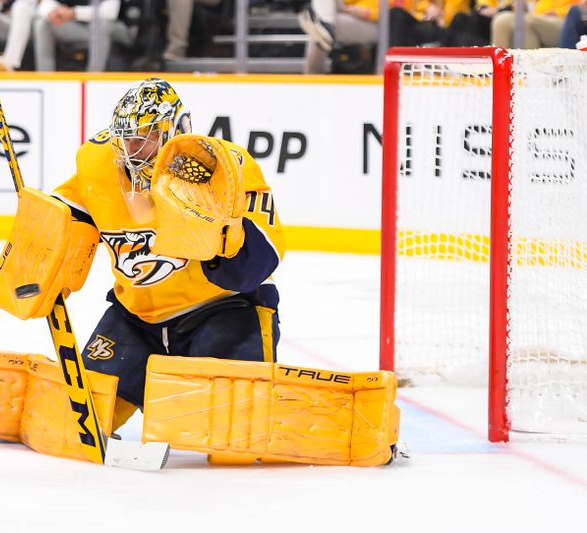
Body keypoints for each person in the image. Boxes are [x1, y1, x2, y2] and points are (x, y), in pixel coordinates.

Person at [49, 78, 286, 430]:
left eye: (144, 136)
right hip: (135, 318)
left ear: (175, 130)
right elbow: (68, 212)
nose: (132, 148)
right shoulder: (98, 162)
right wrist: (42, 247)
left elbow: (261, 259)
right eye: (126, 136)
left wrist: (221, 235)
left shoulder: (224, 166)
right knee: (76, 423)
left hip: (223, 313)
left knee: (228, 438)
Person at [32, 0, 122, 71]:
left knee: (103, 26)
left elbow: (110, 13)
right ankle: (45, 78)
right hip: (82, 29)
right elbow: (44, 7)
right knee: (43, 24)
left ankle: (93, 80)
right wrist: (54, 12)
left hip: (116, 29)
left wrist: (74, 12)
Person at [298, 0, 381, 74]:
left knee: (318, 29)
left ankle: (312, 76)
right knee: (320, 28)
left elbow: (392, 10)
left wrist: (368, 13)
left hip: (375, 23)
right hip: (348, 12)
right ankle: (326, 26)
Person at [492, 0, 578, 48]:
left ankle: (528, 74)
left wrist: (558, 12)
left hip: (567, 19)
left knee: (525, 21)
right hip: (536, 16)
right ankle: (499, 70)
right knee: (502, 19)